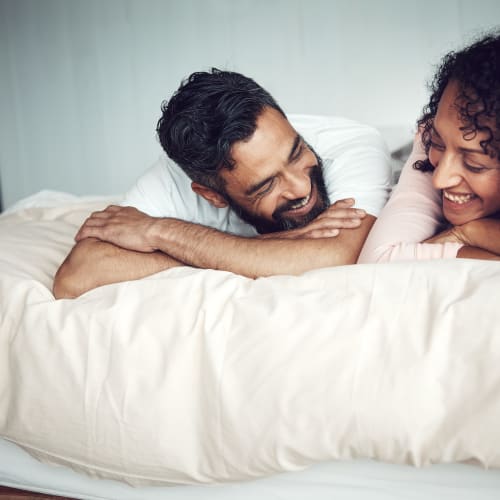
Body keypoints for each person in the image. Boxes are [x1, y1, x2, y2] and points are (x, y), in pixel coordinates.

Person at [53, 69, 392, 299]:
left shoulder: (353, 142)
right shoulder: (172, 180)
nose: (301, 188)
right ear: (211, 195)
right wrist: (284, 245)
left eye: (296, 152)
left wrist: (162, 234)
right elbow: (76, 277)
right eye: (266, 185)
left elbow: (338, 255)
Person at [358, 31, 500, 264]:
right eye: (439, 143)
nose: (440, 180)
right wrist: (467, 235)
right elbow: (380, 261)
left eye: (474, 165)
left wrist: (469, 233)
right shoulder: (428, 140)